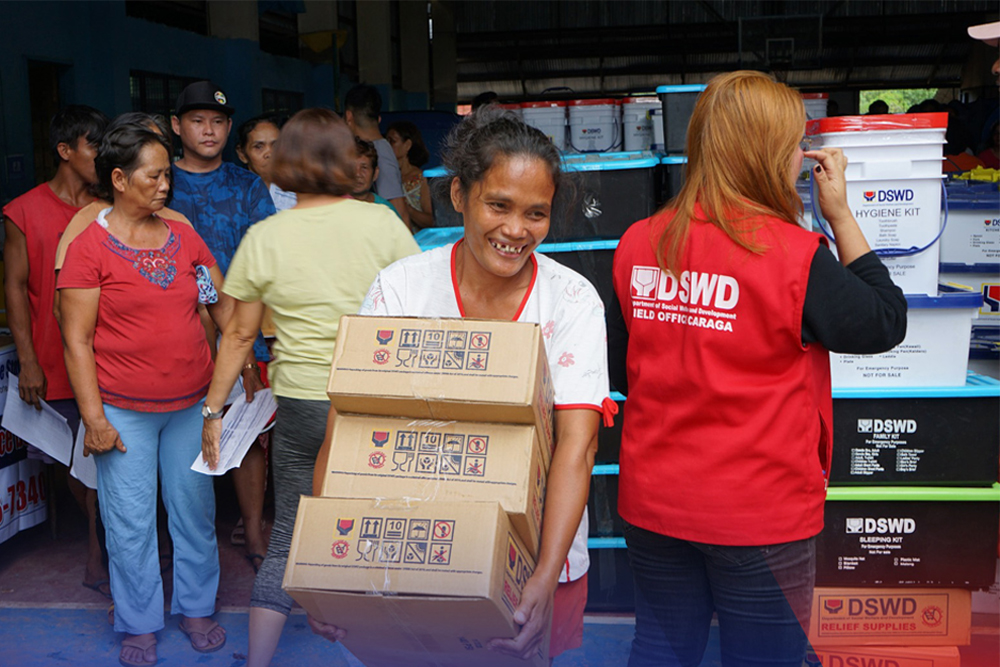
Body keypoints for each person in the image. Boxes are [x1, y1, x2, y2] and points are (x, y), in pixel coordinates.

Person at [608, 70, 908, 667]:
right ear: (767, 153)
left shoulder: (637, 243)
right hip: (759, 516)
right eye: (795, 142)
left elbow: (629, 361)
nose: (801, 154)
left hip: (654, 503)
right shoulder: (794, 257)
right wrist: (840, 215)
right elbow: (883, 321)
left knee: (662, 652)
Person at [308, 105, 614, 662]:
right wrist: (328, 565)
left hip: (536, 561)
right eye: (498, 205)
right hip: (403, 551)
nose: (516, 230)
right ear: (459, 196)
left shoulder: (569, 300)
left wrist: (544, 578)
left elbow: (578, 444)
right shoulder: (403, 288)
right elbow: (349, 427)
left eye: (536, 213)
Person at [198, 108, 420, 667]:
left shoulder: (267, 236)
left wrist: (212, 409)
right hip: (372, 401)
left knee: (290, 534)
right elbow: (418, 313)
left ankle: (256, 663)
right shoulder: (382, 225)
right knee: (377, 527)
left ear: (288, 162)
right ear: (347, 159)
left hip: (299, 403)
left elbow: (240, 333)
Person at [59, 122, 235, 667]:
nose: (165, 185)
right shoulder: (89, 248)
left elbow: (217, 306)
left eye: (166, 175)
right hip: (122, 413)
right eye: (154, 175)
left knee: (193, 512)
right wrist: (94, 419)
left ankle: (197, 607)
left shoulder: (186, 238)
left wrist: (243, 350)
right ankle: (138, 620)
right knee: (130, 521)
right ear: (118, 178)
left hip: (189, 406)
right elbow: (77, 341)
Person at [2, 104, 110, 600]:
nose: (104, 155)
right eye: (94, 146)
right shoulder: (23, 210)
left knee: (108, 458)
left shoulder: (110, 206)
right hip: (53, 355)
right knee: (76, 463)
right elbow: (15, 288)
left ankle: (100, 549)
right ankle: (101, 540)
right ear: (66, 151)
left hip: (107, 352)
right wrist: (27, 360)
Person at [169, 80, 270, 565]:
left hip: (241, 329)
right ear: (176, 126)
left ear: (229, 129)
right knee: (178, 434)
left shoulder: (248, 185)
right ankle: (181, 542)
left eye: (218, 121)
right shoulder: (158, 180)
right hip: (173, 333)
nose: (209, 130)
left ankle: (252, 532)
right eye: (197, 120)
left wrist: (249, 339)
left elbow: (266, 262)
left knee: (245, 435)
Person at [343, 84, 410, 228]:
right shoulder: (382, 147)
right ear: (378, 119)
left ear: (349, 116)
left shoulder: (380, 153)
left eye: (364, 168)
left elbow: (398, 208)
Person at [236, 114, 297, 212]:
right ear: (242, 154)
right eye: (258, 147)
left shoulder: (299, 196)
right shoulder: (232, 197)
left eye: (276, 145)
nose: (269, 153)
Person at [386, 120, 434, 229]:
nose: (387, 146)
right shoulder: (386, 177)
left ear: (407, 145)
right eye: (386, 141)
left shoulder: (422, 180)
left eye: (392, 141)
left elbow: (431, 221)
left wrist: (405, 208)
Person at [351, 136, 402, 220]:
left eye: (364, 167)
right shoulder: (333, 206)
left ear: (375, 173)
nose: (358, 174)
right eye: (351, 167)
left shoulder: (386, 210)